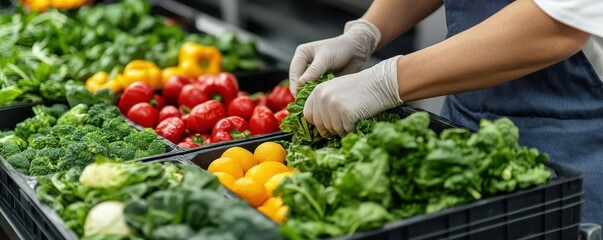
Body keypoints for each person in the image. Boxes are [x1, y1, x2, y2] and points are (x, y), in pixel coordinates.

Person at [289, 0, 603, 225]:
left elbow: (556, 25)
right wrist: (366, 31)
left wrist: (385, 81)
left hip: (570, 146)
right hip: (460, 131)